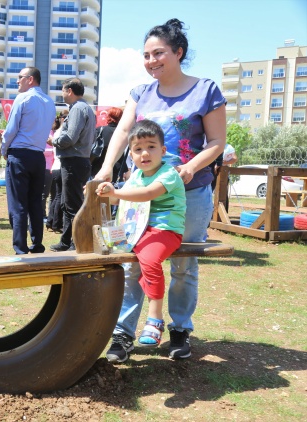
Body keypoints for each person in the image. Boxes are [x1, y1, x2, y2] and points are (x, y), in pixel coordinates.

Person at [94, 18, 226, 362]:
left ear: (178, 52)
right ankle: (124, 334)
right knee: (132, 263)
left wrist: (190, 167)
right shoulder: (141, 93)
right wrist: (106, 168)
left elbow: (217, 142)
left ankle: (179, 330)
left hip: (188, 192)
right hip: (138, 193)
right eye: (146, 55)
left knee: (184, 265)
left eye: (159, 53)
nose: (151, 60)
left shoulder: (206, 90)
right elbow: (123, 133)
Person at [97, 120, 185, 350]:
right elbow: (120, 198)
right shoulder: (135, 176)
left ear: (163, 151)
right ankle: (118, 328)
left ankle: (155, 318)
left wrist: (118, 192)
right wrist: (105, 193)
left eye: (151, 147)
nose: (144, 153)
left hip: (165, 230)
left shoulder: (168, 174)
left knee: (149, 259)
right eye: (137, 149)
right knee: (115, 259)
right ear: (131, 154)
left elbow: (147, 194)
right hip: (137, 230)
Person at [1, 66, 56, 254]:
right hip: (38, 156)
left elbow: (10, 130)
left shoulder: (23, 98)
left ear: (30, 79)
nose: (17, 81)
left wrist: (3, 149)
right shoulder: (50, 102)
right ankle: (37, 243)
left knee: (18, 203)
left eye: (20, 77)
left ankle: (20, 247)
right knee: (35, 202)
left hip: (20, 154)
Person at [50, 78, 95, 252]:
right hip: (77, 161)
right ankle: (67, 241)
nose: (62, 94)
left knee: (72, 205)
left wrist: (55, 140)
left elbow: (69, 138)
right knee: (67, 203)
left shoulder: (78, 109)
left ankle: (76, 243)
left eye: (62, 90)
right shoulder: (85, 108)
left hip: (74, 161)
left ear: (69, 91)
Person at [46, 111, 68, 234]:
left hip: (55, 166)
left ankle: (51, 221)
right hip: (60, 166)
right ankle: (56, 223)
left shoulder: (57, 132)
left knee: (56, 196)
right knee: (60, 196)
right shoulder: (62, 132)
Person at [91, 107, 125, 179]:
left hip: (98, 166)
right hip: (117, 168)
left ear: (108, 116)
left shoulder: (100, 129)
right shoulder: (123, 133)